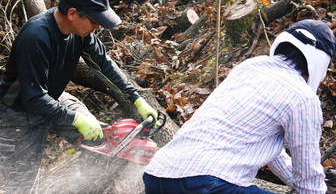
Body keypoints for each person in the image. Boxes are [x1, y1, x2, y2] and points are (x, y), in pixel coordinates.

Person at [0, 0, 158, 194]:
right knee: (21, 186)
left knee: (102, 141)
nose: (98, 26)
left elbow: (104, 63)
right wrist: (75, 119)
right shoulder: (36, 37)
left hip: (51, 97)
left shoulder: (80, 33)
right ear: (72, 13)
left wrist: (135, 97)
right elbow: (32, 97)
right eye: (94, 21)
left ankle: (85, 184)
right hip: (17, 112)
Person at [143, 19, 336, 194]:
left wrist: (296, 180)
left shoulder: (251, 66)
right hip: (207, 184)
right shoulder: (303, 98)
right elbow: (308, 177)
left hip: (158, 175)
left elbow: (270, 150)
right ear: (321, 63)